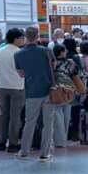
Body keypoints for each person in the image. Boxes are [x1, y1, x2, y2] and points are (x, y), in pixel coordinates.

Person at [14, 26, 56, 162]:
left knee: (29, 123)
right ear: (37, 36)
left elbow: (21, 74)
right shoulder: (46, 51)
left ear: (25, 37)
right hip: (49, 91)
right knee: (48, 123)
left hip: (31, 92)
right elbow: (54, 67)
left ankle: (24, 151)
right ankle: (45, 153)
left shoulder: (18, 54)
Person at [0, 28, 26, 152]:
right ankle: (13, 143)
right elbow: (24, 71)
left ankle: (1, 142)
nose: (23, 40)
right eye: (22, 38)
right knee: (15, 116)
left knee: (4, 115)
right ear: (16, 39)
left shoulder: (0, 51)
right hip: (17, 87)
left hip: (2, 86)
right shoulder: (19, 52)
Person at [51, 44, 80, 147]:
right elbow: (77, 75)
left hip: (56, 91)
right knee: (66, 116)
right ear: (62, 52)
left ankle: (59, 141)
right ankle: (64, 140)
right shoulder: (70, 62)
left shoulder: (51, 63)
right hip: (69, 91)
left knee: (57, 116)